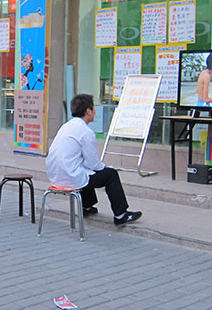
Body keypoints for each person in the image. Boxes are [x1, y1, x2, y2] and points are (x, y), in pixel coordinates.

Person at [46, 94, 142, 226]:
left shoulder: (66, 126)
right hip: (70, 178)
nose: (95, 111)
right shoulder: (85, 131)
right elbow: (95, 164)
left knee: (85, 170)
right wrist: (106, 167)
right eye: (94, 108)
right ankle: (121, 215)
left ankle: (87, 206)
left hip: (55, 177)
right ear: (88, 111)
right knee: (111, 175)